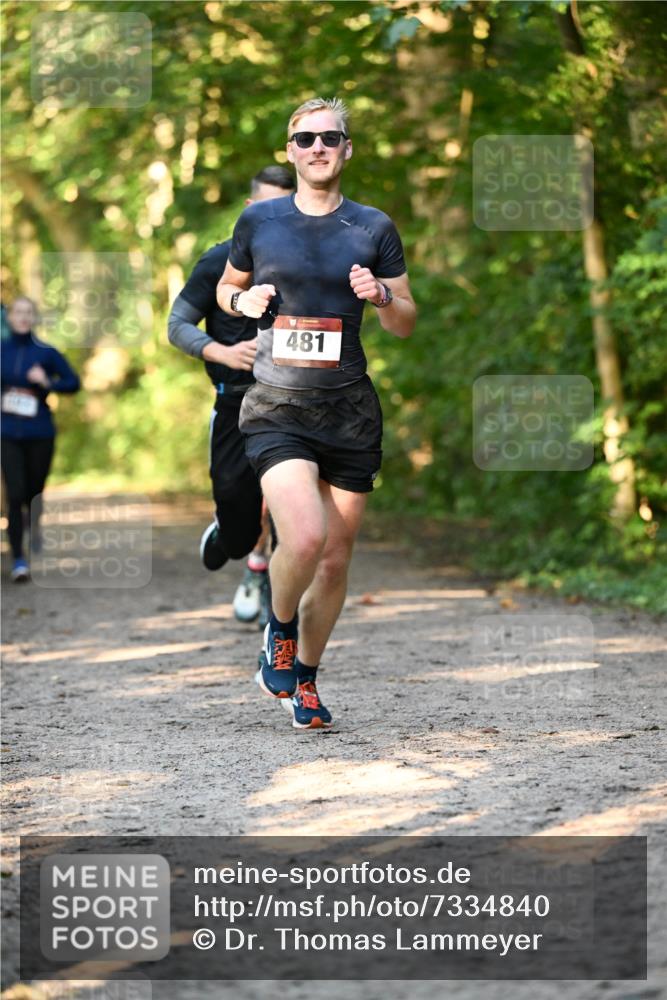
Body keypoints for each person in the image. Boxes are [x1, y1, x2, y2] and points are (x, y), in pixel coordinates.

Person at [217, 97, 416, 729]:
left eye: (330, 137)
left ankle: (304, 677)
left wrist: (382, 295)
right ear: (290, 150)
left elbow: (405, 321)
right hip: (276, 403)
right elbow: (227, 287)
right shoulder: (261, 222)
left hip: (349, 409)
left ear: (347, 148)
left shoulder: (373, 227)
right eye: (305, 140)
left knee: (334, 557)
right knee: (303, 535)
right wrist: (245, 302)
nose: (318, 148)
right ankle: (277, 633)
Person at [168, 165, 295, 627]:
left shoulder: (306, 261)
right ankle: (235, 539)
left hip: (292, 402)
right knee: (239, 514)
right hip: (234, 402)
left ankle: (279, 601)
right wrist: (221, 351)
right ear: (248, 208)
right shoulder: (217, 262)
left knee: (290, 505)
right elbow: (176, 326)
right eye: (266, 207)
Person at [1, 296, 80, 581]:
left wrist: (47, 382)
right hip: (6, 432)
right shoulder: (2, 350)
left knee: (34, 492)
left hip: (40, 432)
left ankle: (34, 527)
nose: (22, 318)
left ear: (34, 318)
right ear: (9, 318)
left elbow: (74, 383)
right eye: (17, 312)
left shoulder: (46, 353)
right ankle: (19, 560)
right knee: (15, 493)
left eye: (28, 313)